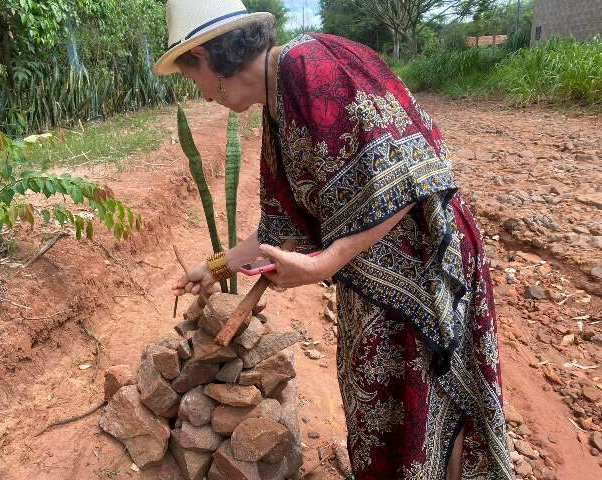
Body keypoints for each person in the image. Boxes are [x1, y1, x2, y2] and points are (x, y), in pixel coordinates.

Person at [155, 1, 512, 479]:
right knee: (387, 417)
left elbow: (410, 172)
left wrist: (324, 265)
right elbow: (285, 225)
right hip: (374, 280)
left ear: (208, 59)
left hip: (422, 273)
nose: (200, 96)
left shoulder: (311, 67)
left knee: (431, 410)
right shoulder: (277, 102)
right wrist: (216, 267)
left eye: (190, 77)